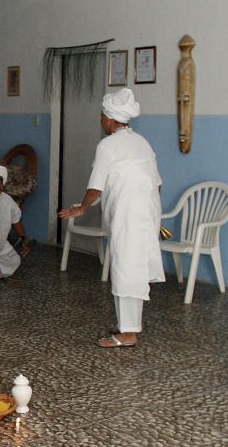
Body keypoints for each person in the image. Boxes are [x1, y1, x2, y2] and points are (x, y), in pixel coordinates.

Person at [59, 88, 164, 347]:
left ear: (109, 118)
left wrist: (82, 208)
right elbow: (157, 184)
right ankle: (127, 326)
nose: (100, 119)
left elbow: (96, 186)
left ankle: (128, 334)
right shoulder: (142, 142)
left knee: (126, 270)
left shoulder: (107, 145)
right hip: (147, 213)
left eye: (102, 115)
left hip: (129, 217)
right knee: (132, 268)